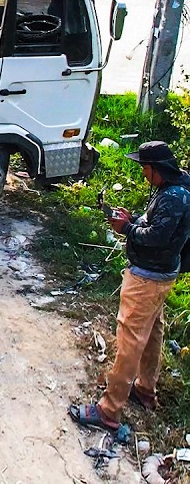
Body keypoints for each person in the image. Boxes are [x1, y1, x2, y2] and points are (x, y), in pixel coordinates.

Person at [69, 141, 190, 432]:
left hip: (148, 278)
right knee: (152, 331)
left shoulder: (174, 196)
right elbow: (160, 228)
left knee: (130, 340)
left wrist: (126, 228)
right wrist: (134, 220)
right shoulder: (176, 188)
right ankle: (145, 389)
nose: (143, 174)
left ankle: (108, 410)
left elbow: (157, 237)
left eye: (145, 168)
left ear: (156, 168)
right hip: (161, 274)